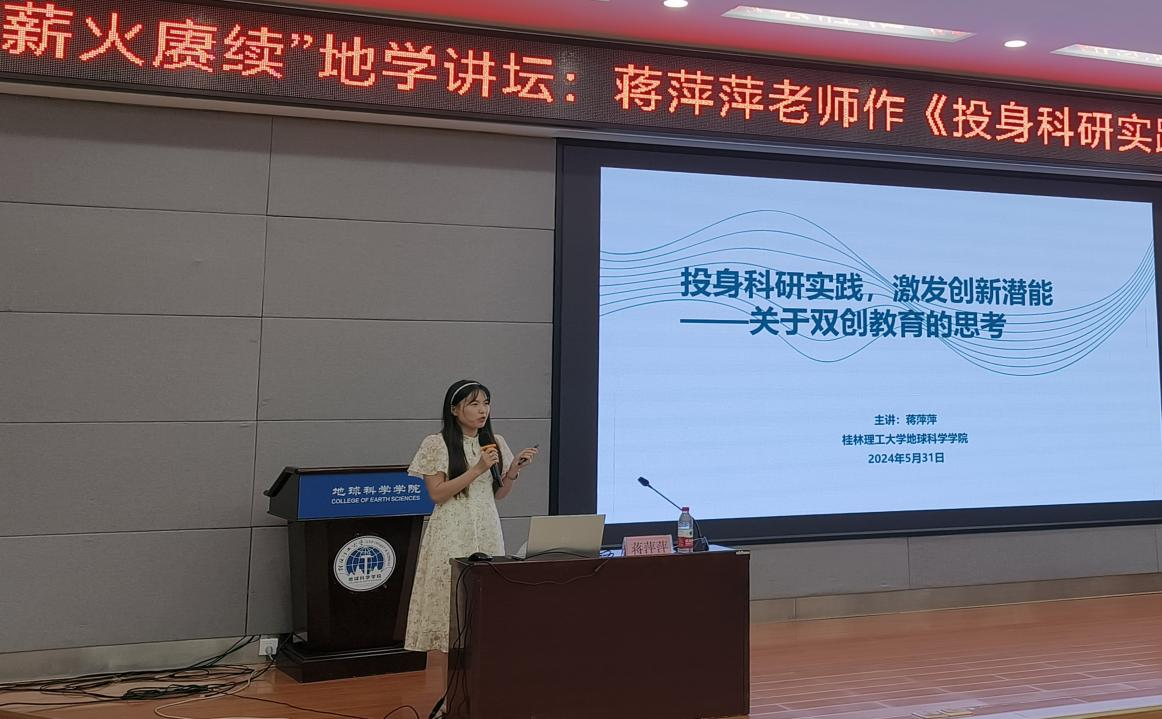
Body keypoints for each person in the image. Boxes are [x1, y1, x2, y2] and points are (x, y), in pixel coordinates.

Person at [404, 379, 538, 655]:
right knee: (451, 594)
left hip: (487, 525)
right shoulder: (436, 443)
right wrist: (477, 469)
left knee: (486, 591)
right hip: (451, 528)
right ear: (454, 410)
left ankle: (481, 666)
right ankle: (449, 668)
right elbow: (437, 494)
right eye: (474, 404)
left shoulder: (495, 442)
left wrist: (513, 470)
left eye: (486, 403)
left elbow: (499, 494)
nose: (482, 410)